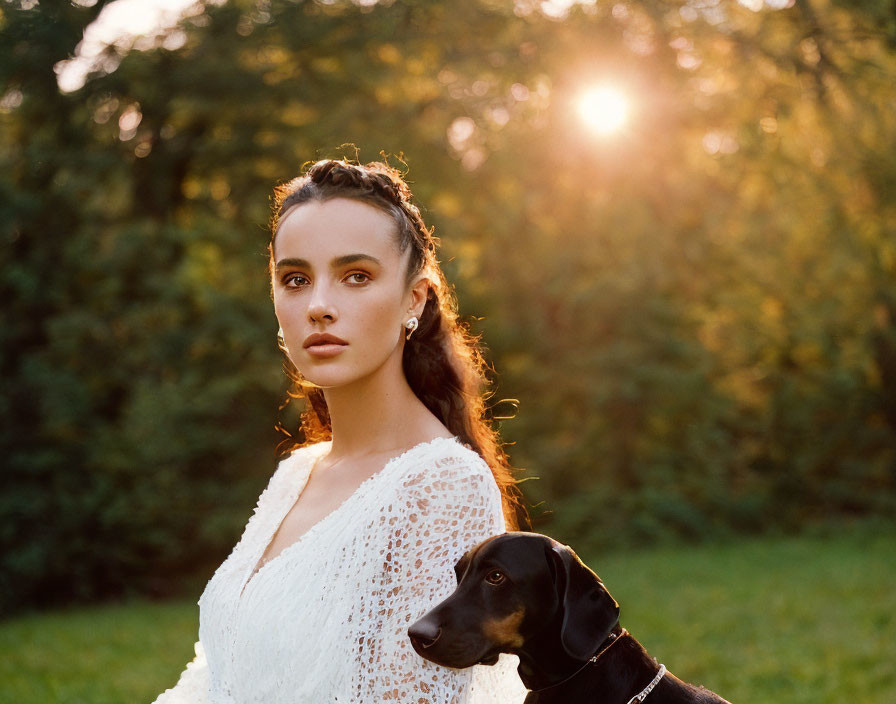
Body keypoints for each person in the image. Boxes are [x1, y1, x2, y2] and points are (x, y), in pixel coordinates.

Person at [152, 157, 531, 703]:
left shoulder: (442, 487)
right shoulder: (297, 473)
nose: (319, 306)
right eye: (296, 279)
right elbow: (222, 670)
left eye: (356, 276)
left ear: (413, 299)